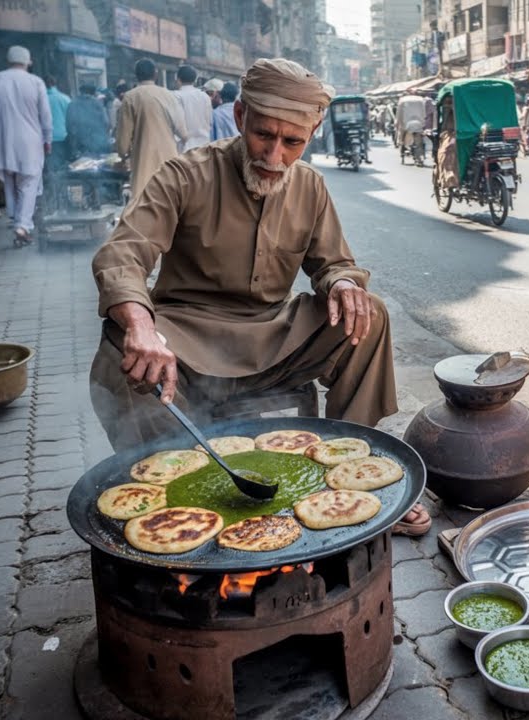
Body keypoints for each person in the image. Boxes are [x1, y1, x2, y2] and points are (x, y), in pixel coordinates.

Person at [90, 58, 428, 537]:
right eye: (264, 135)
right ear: (241, 115)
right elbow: (122, 254)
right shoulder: (185, 175)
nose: (275, 155)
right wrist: (141, 326)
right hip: (189, 340)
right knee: (116, 345)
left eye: (292, 142)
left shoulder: (310, 185)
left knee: (368, 314)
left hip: (274, 336)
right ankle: (164, 490)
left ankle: (354, 476)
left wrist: (344, 284)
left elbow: (333, 264)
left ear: (310, 136)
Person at [0, 46, 52, 245]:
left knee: (10, 181)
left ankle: (18, 221)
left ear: (8, 60)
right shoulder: (35, 82)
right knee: (28, 184)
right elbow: (45, 116)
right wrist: (48, 139)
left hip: (1, 139)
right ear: (28, 62)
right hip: (30, 141)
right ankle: (22, 225)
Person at [115, 58, 187, 198]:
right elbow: (183, 133)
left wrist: (122, 155)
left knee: (145, 206)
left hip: (143, 163)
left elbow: (123, 142)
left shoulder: (130, 97)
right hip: (168, 163)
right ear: (156, 74)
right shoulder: (169, 96)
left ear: (136, 75)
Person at [173, 64, 212, 151]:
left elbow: (177, 124)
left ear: (178, 79)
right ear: (195, 80)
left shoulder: (176, 95)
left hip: (184, 147)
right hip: (204, 146)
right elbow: (209, 121)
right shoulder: (205, 96)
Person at [66, 84, 111, 158]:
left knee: (83, 166)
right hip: (98, 144)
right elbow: (106, 123)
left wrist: (74, 146)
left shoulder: (72, 104)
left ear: (81, 92)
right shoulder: (98, 103)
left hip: (80, 146)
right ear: (93, 93)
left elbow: (70, 127)